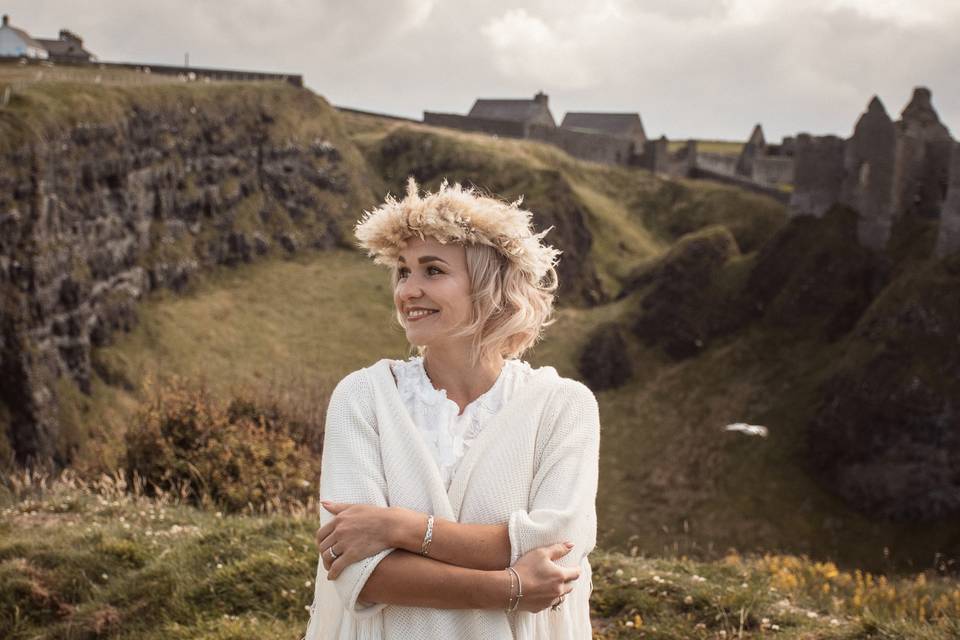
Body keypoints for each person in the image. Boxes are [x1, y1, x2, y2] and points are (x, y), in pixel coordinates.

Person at [303, 178, 601, 639]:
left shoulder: (563, 407)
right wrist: (511, 586)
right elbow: (360, 571)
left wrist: (399, 527)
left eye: (433, 271)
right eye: (403, 271)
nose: (408, 290)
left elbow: (554, 548)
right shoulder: (362, 396)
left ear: (490, 286)